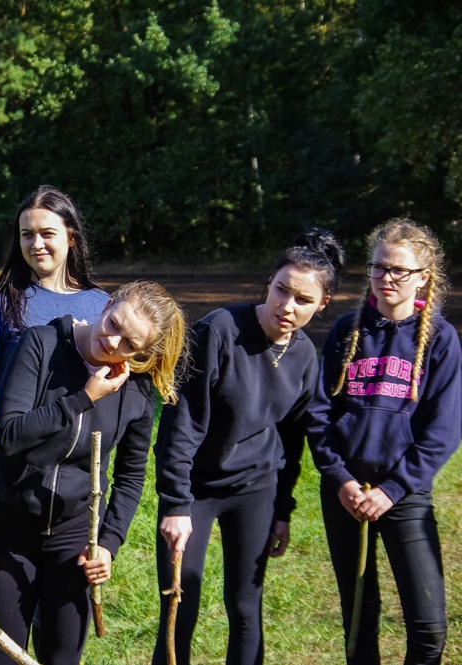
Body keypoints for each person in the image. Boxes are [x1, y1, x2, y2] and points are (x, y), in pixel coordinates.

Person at [154, 229, 346, 665]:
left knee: (246, 610)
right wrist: (176, 504)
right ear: (269, 284)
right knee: (180, 605)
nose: (288, 306)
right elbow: (181, 423)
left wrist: (282, 510)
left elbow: (292, 441)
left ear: (322, 305)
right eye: (282, 290)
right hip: (195, 491)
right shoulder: (218, 330)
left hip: (255, 489)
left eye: (303, 299)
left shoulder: (304, 356)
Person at [0, 281, 187, 664]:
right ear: (107, 306)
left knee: (62, 656)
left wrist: (109, 543)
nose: (113, 342)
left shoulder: (137, 391)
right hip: (12, 527)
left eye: (129, 343)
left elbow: (130, 476)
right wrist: (84, 398)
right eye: (114, 324)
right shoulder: (41, 344)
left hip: (76, 536)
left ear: (141, 352)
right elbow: (8, 436)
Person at [307, 219, 459, 664]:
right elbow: (319, 414)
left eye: (398, 270)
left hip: (403, 494)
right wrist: (340, 479)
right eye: (378, 267)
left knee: (429, 628)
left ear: (423, 277)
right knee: (360, 618)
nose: (386, 277)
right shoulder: (346, 332)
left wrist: (393, 490)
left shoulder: (442, 340)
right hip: (346, 493)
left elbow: (443, 432)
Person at [0, 185, 110, 492]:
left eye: (47, 233)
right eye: (27, 235)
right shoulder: (1, 308)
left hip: (81, 475)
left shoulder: (102, 307)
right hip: (15, 473)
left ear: (71, 237)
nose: (36, 244)